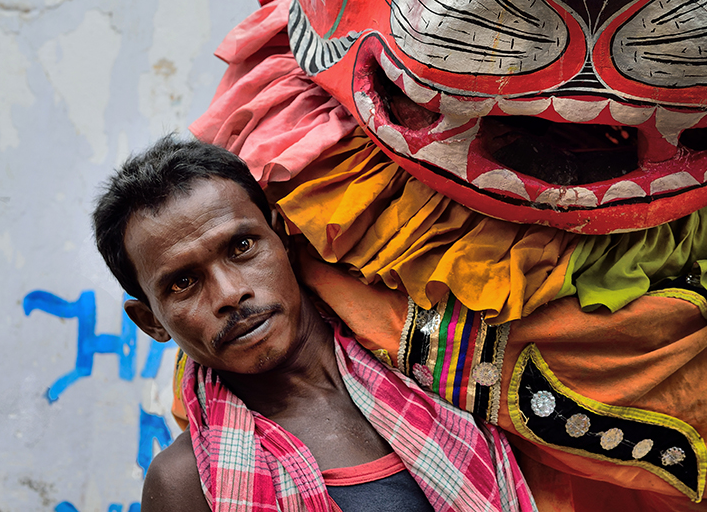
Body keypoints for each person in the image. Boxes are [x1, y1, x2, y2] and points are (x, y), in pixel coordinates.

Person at [93, 135, 536, 512]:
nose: (230, 294)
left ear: (281, 234)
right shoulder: (186, 484)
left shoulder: (439, 360)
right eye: (183, 282)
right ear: (151, 321)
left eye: (242, 246)